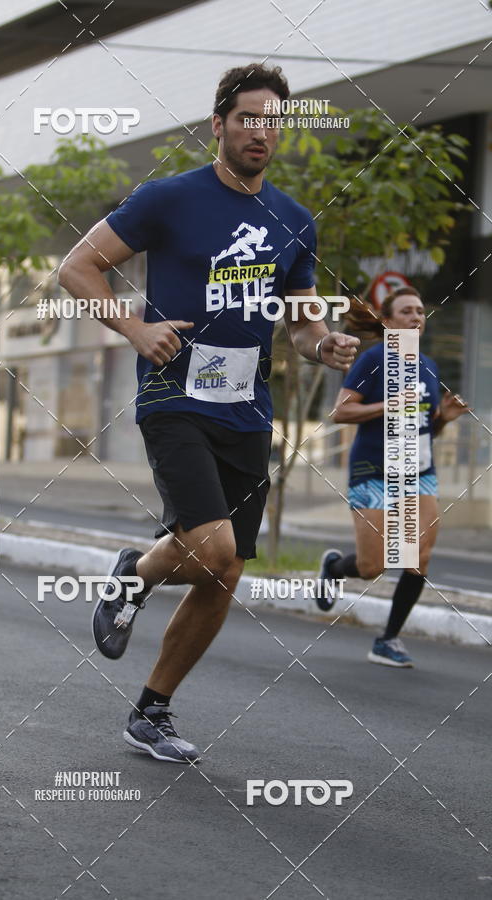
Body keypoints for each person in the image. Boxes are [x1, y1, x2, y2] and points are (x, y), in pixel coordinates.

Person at [59, 63, 358, 763]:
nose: (261, 132)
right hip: (175, 397)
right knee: (215, 548)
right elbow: (77, 266)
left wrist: (325, 346)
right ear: (218, 125)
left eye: (272, 122)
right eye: (248, 117)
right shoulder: (168, 198)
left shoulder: (294, 220)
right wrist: (135, 329)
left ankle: (151, 709)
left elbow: (302, 326)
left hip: (247, 410)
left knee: (225, 572)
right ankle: (137, 574)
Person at [317, 287, 470, 667]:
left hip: (419, 472)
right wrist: (389, 404)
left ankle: (387, 640)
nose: (416, 317)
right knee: (373, 566)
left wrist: (444, 419)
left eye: (420, 310)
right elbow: (340, 412)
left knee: (419, 556)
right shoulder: (374, 359)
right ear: (387, 322)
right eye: (406, 311)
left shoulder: (429, 366)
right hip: (374, 470)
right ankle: (334, 568)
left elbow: (425, 426)